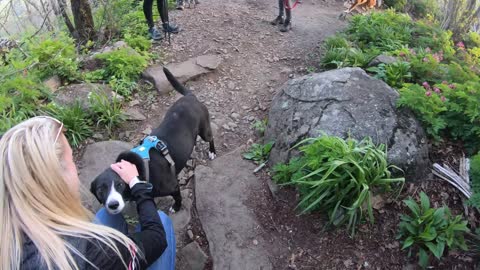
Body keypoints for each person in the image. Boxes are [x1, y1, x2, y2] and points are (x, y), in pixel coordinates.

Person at [0, 116, 176, 270]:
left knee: (106, 214)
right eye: (71, 162)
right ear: (56, 179)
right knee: (161, 220)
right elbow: (156, 238)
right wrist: (136, 184)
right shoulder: (93, 253)